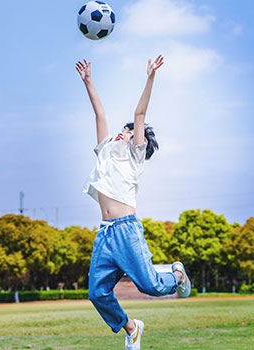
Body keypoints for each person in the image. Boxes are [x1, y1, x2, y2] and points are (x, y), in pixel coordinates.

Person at [75, 55, 192, 350]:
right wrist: (89, 82)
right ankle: (132, 328)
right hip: (105, 233)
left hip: (126, 230)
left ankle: (177, 273)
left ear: (134, 140)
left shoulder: (133, 157)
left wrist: (150, 77)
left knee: (151, 286)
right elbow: (99, 115)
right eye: (124, 130)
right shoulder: (106, 151)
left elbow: (140, 115)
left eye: (128, 132)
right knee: (97, 294)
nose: (122, 132)